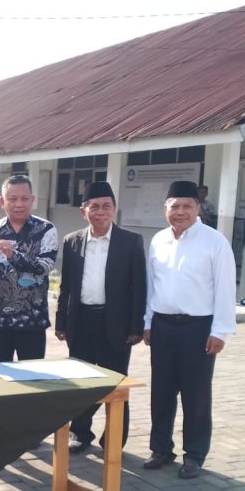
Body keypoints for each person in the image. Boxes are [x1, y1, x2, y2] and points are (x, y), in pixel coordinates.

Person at [143, 180, 236, 479]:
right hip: (162, 326)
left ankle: (194, 454)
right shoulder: (158, 240)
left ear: (198, 208)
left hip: (198, 328)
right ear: (165, 209)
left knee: (195, 395)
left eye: (187, 206)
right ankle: (161, 449)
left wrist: (220, 331)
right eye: (175, 206)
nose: (180, 212)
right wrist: (147, 322)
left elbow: (225, 288)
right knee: (161, 391)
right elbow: (151, 285)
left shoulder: (215, 241)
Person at [55, 181, 146, 453]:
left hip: (115, 323)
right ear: (84, 211)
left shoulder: (131, 241)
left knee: (116, 382)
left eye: (106, 206)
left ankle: (114, 439)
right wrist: (61, 321)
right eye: (94, 207)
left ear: (114, 209)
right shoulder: (72, 241)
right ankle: (81, 433)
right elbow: (66, 286)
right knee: (82, 382)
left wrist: (136, 326)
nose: (101, 212)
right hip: (81, 321)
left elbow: (139, 287)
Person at [0, 174, 58, 362]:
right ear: (2, 201)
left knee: (32, 376)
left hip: (33, 322)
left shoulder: (46, 229)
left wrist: (13, 255)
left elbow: (44, 266)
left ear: (32, 200)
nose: (19, 204)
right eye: (12, 199)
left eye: (24, 199)